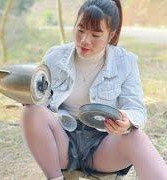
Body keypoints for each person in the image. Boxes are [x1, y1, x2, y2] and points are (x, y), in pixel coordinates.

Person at [20, 0, 167, 180]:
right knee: (31, 111)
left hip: (103, 147)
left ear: (111, 35)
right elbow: (41, 101)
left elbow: (137, 110)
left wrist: (126, 120)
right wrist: (29, 95)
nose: (85, 40)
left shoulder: (125, 62)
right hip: (63, 143)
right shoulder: (55, 56)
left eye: (96, 35)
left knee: (137, 137)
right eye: (80, 30)